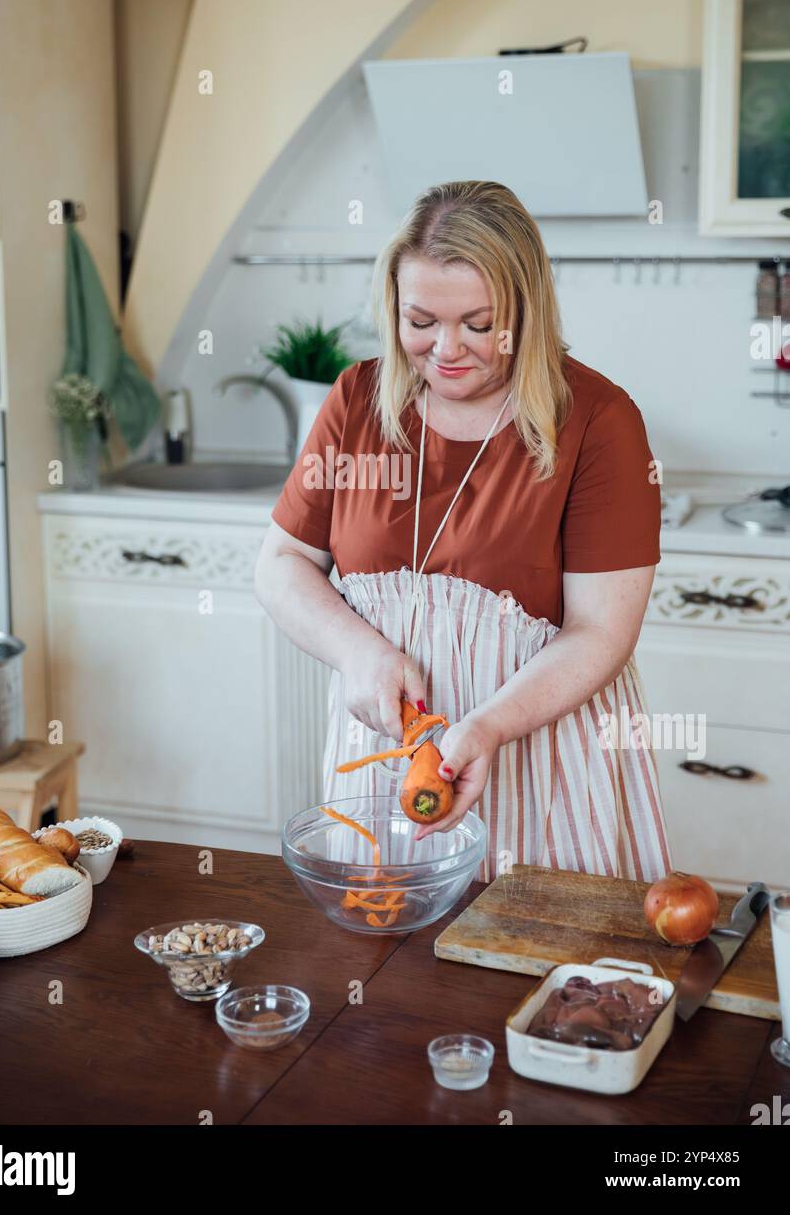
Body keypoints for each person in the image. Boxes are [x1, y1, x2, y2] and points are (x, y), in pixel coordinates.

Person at [255, 181, 671, 882]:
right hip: (391, 769)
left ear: (526, 313)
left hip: (544, 760)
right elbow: (283, 562)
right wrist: (358, 653)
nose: (447, 350)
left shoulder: (598, 422)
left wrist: (485, 728)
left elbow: (601, 631)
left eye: (479, 325)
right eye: (420, 321)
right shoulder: (357, 401)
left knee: (547, 977)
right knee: (391, 970)